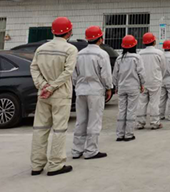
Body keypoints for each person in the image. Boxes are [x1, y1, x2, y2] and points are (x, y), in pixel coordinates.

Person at [29, 17, 78, 176]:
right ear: (69, 32)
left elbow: (34, 68)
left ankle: (37, 165)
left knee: (40, 128)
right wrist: (52, 87)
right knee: (59, 129)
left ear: (52, 31)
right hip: (61, 94)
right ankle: (56, 165)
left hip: (43, 94)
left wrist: (43, 86)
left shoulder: (41, 49)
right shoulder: (70, 49)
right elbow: (68, 72)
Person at [71, 26, 113, 161]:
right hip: (95, 90)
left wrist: (77, 86)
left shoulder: (79, 54)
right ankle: (91, 150)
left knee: (81, 120)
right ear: (100, 39)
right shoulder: (102, 54)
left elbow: (73, 74)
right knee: (94, 121)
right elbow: (106, 74)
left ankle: (77, 150)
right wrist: (109, 87)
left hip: (80, 90)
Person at [113, 35, 145, 142]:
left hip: (122, 87)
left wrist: (116, 86)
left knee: (121, 110)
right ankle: (128, 134)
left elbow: (115, 74)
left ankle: (120, 134)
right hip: (133, 87)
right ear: (134, 45)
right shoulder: (137, 58)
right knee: (131, 110)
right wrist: (142, 84)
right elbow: (141, 73)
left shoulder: (119, 58)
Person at [136, 32, 166, 130]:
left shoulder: (139, 53)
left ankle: (140, 123)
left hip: (143, 82)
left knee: (141, 103)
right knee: (154, 103)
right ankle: (155, 123)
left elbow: (137, 68)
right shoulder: (159, 53)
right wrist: (160, 77)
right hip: (155, 81)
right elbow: (163, 68)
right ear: (154, 41)